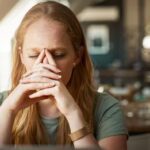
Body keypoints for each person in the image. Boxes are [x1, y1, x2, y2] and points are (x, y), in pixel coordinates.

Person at [0, 1, 128, 149]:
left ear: (77, 56)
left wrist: (73, 113)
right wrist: (7, 111)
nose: (45, 66)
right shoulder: (3, 103)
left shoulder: (106, 108)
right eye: (34, 55)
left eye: (59, 55)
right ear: (21, 56)